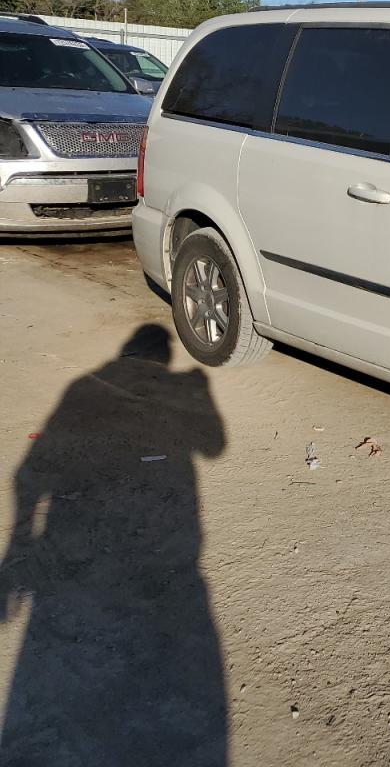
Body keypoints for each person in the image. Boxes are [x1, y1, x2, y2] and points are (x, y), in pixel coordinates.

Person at [0, 325, 228, 766]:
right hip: (170, 556)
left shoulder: (82, 387)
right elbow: (215, 446)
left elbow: (31, 471)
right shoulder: (177, 386)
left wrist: (19, 542)